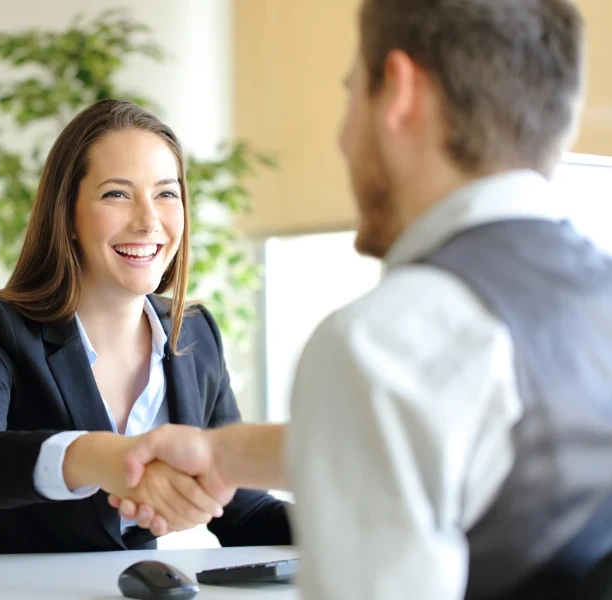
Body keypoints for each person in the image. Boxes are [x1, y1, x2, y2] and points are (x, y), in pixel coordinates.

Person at [111, 0, 612, 598]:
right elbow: (463, 445)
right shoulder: (589, 299)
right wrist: (225, 454)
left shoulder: (381, 343)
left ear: (398, 94)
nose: (343, 138)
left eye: (352, 96)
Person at [0, 98, 291, 555]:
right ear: (69, 215)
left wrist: (356, 519)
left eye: (166, 193)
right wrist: (105, 459)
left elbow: (246, 512)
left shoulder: (193, 334)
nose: (149, 221)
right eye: (117, 194)